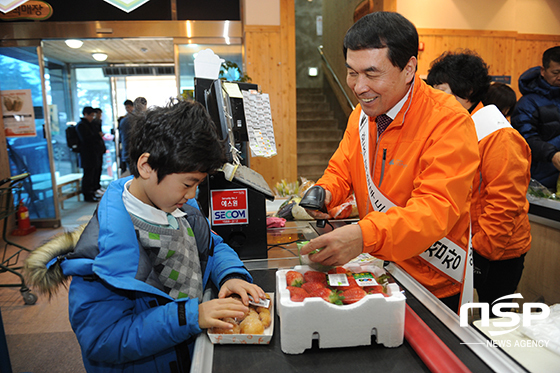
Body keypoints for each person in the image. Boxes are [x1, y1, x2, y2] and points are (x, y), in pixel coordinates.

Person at [24, 99, 265, 372]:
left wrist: (230, 274)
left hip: (188, 351)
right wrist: (190, 316)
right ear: (146, 166)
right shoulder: (103, 254)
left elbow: (212, 246)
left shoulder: (182, 208)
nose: (192, 194)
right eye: (188, 184)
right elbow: (104, 339)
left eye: (198, 184)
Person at [300, 12, 480, 313]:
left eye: (372, 74)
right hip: (378, 269)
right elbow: (341, 169)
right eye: (352, 72)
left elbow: (435, 209)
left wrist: (363, 235)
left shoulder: (448, 121)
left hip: (431, 282)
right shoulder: (361, 116)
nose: (358, 87)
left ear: (409, 68)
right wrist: (326, 191)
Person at [427, 50, 532, 316]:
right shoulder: (459, 125)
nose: (437, 100)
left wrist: (480, 250)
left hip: (497, 252)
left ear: (469, 91)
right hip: (472, 246)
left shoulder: (499, 136)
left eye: (443, 92)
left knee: (495, 322)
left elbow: (505, 202)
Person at [511, 46, 560, 191]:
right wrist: (552, 154)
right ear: (543, 71)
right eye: (556, 72)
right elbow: (525, 138)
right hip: (540, 180)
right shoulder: (528, 102)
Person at [76, 106, 105, 202]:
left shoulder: (90, 124)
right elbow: (86, 139)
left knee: (93, 173)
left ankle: (92, 192)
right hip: (87, 154)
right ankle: (87, 195)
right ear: (85, 115)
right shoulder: (81, 125)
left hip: (93, 153)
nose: (92, 118)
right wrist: (97, 135)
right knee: (88, 175)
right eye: (91, 115)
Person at [119, 97, 147, 177]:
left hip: (127, 153)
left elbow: (122, 139)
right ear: (145, 105)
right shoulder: (144, 119)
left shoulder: (124, 120)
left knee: (133, 177)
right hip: (140, 152)